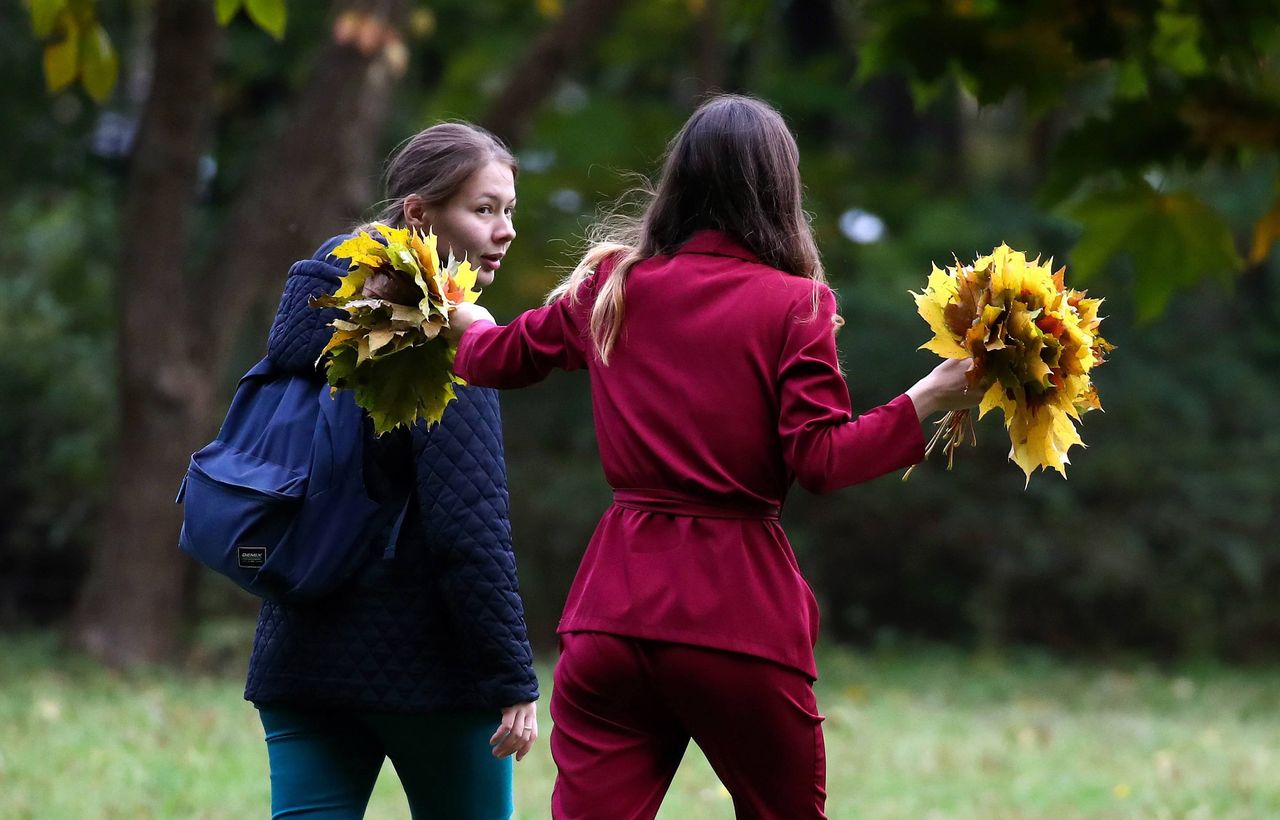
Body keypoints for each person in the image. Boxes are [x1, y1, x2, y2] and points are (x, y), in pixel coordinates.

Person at [446, 95, 978, 819]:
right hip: (738, 622)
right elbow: (820, 460)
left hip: (612, 617)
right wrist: (928, 398)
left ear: (681, 182)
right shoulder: (796, 305)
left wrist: (466, 319)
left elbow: (493, 358)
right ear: (780, 190)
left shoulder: (614, 286)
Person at [245, 122, 537, 820]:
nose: (505, 231)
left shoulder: (314, 317)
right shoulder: (447, 337)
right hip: (426, 671)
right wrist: (511, 677)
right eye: (484, 209)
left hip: (299, 653)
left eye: (509, 211)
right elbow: (468, 529)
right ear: (418, 213)